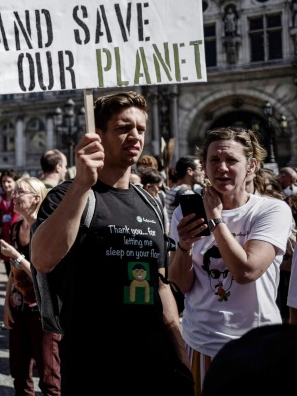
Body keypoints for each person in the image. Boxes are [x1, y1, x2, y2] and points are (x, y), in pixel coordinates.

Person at [31, 91, 190, 395]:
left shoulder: (150, 203)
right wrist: (81, 185)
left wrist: (181, 357)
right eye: (122, 128)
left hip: (155, 365)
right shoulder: (67, 197)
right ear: (97, 135)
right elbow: (42, 259)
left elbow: (160, 286)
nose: (134, 136)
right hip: (94, 369)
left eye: (140, 129)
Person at [169, 127, 292, 393]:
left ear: (251, 166)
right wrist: (184, 246)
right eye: (214, 160)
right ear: (204, 166)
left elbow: (246, 271)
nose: (221, 167)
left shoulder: (271, 210)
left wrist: (215, 220)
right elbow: (179, 283)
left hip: (256, 347)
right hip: (201, 344)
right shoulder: (185, 211)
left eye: (231, 160)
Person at [0, 177, 61, 396]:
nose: (13, 196)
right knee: (19, 373)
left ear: (36, 198)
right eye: (13, 192)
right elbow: (13, 273)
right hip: (19, 308)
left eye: (19, 192)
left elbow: (45, 272)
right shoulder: (16, 228)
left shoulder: (47, 229)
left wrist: (17, 256)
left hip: (43, 312)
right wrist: (7, 305)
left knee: (49, 377)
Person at [0, 169, 20, 276]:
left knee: (18, 268)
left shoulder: (19, 197)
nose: (6, 184)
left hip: (17, 236)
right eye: (3, 182)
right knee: (8, 269)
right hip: (5, 236)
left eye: (9, 181)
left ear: (15, 182)